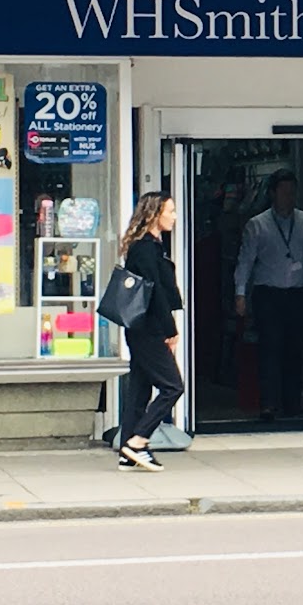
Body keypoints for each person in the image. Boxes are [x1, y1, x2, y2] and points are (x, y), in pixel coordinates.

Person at [234, 169, 303, 421]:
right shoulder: (257, 225)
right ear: (272, 194)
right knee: (270, 348)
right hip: (268, 294)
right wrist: (240, 294)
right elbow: (245, 261)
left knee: (295, 348)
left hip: (298, 294)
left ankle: (293, 402)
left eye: (292, 192)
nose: (289, 197)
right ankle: (269, 404)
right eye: (284, 192)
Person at [117, 192, 184, 472]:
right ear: (155, 214)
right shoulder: (145, 248)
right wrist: (170, 329)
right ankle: (138, 441)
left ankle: (126, 455)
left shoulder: (151, 246)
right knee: (173, 386)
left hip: (143, 328)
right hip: (149, 329)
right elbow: (153, 292)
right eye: (171, 211)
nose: (175, 216)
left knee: (140, 390)